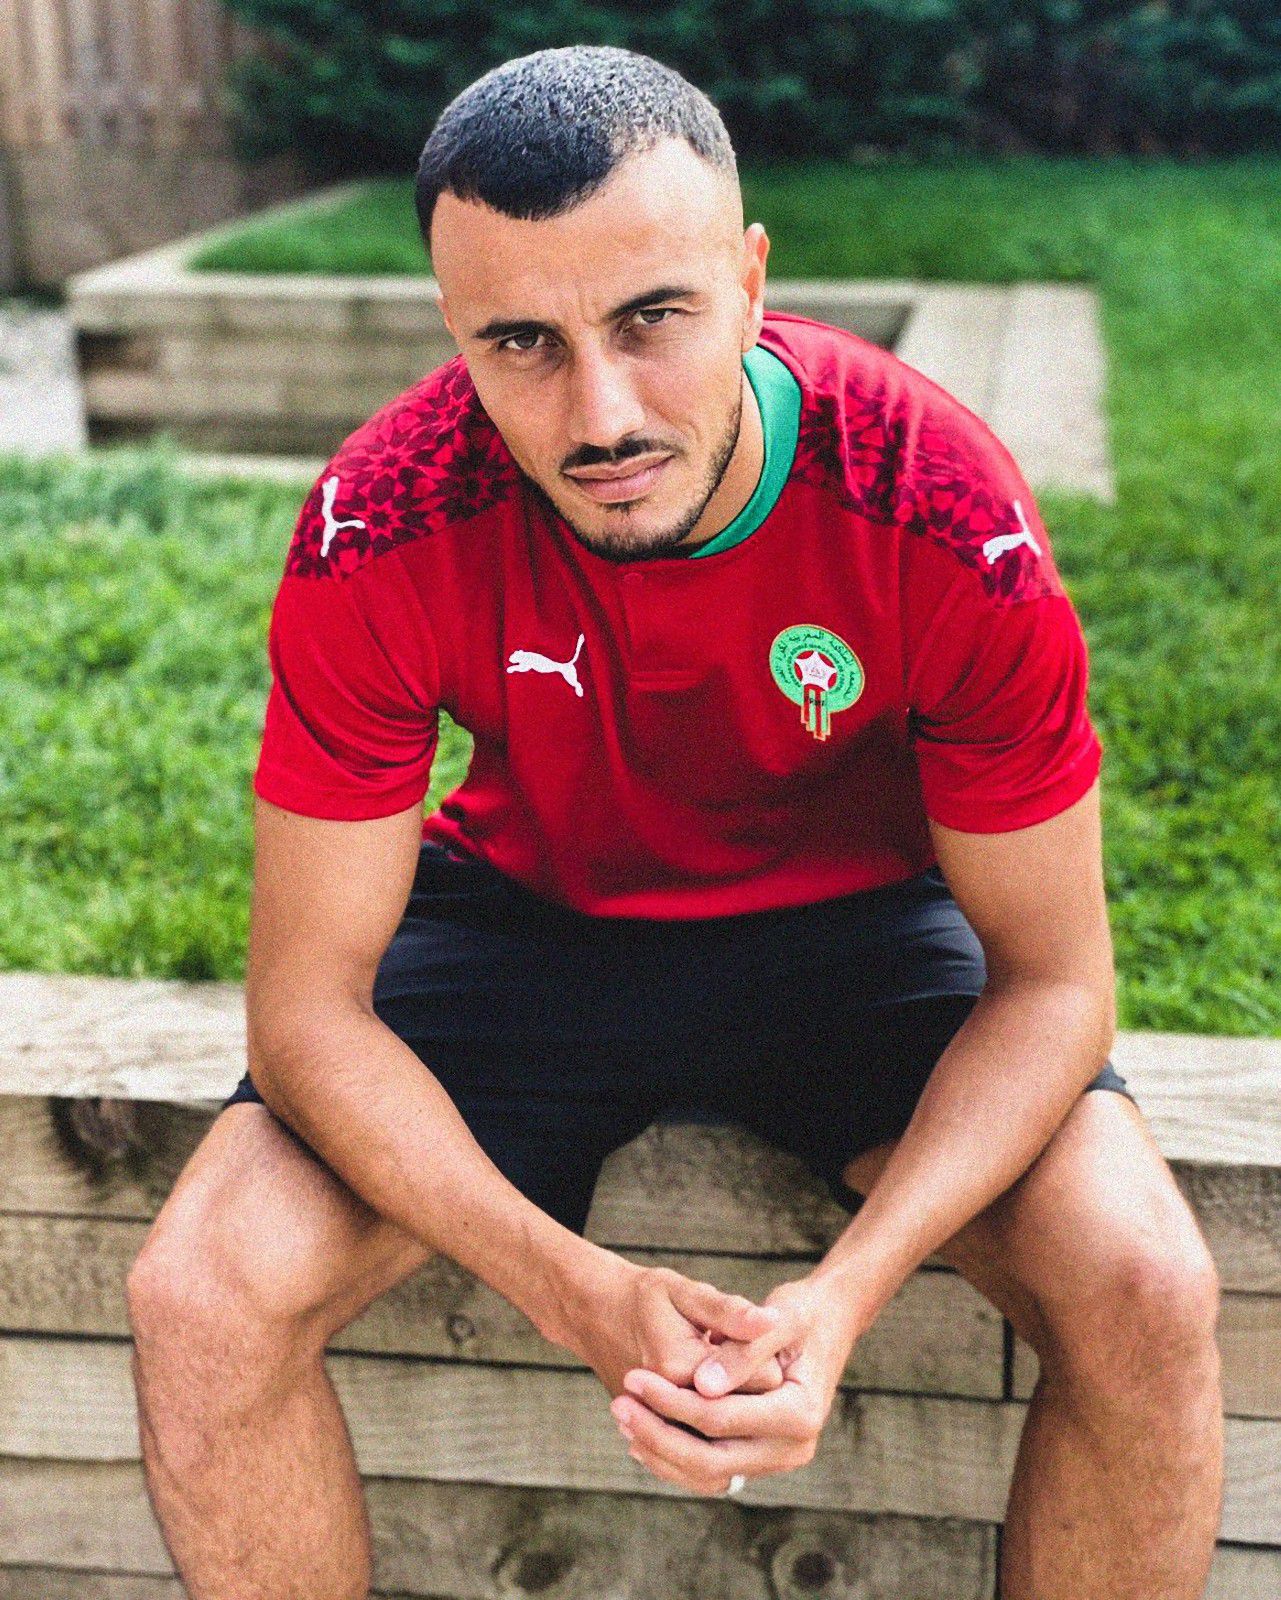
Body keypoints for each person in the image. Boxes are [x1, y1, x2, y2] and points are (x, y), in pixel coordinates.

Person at [124, 44, 1224, 1600]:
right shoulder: (384, 519)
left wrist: (838, 1302)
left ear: (751, 280)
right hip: (531, 923)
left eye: (651, 318)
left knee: (1144, 1284)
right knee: (199, 1296)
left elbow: (1053, 983)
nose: (600, 413)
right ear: (453, 329)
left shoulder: (935, 508)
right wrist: (572, 1291)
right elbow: (306, 1011)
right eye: (521, 342)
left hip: (856, 932)